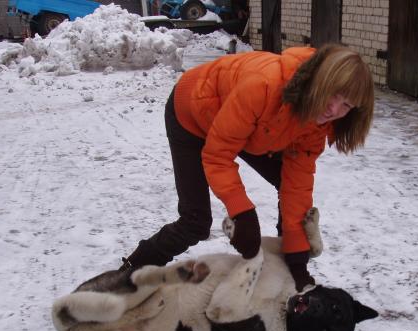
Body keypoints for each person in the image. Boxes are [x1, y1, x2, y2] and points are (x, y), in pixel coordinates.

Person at [120, 44, 375, 291]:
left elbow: (296, 186)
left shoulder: (318, 125)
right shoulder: (264, 86)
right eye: (333, 95)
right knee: (195, 222)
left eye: (346, 105)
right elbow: (218, 155)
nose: (333, 109)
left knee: (287, 185)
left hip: (245, 126)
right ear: (322, 81)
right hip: (191, 112)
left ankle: (283, 267)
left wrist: (297, 259)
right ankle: (129, 274)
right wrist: (241, 213)